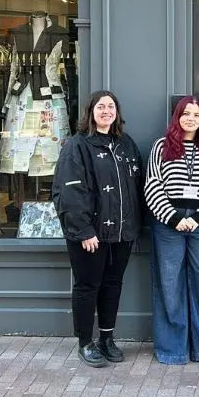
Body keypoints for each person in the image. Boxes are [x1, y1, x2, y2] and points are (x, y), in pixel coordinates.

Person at [52, 91, 143, 368]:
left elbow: (137, 185)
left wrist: (134, 225)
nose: (106, 111)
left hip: (122, 233)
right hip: (90, 234)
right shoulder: (77, 145)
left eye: (111, 106)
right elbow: (69, 191)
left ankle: (107, 338)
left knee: (113, 285)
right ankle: (85, 342)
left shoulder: (125, 144)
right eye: (101, 106)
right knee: (87, 286)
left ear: (117, 112)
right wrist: (83, 230)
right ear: (91, 111)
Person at [144, 97, 199, 365]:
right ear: (177, 116)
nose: (191, 119)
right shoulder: (161, 146)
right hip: (168, 223)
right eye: (186, 114)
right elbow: (152, 185)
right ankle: (173, 350)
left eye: (197, 115)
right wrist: (174, 218)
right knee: (170, 285)